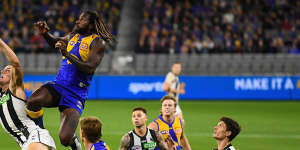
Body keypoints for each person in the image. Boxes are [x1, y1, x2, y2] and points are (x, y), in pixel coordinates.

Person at [25, 10, 114, 149]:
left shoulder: (97, 42)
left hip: (76, 94)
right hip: (59, 86)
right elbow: (55, 42)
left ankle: (75, 143)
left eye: (82, 19)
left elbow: (89, 67)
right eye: (78, 18)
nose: (77, 21)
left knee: (64, 139)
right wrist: (44, 33)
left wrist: (67, 54)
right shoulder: (73, 36)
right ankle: (41, 134)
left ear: (90, 24)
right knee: (32, 101)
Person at [0, 38, 56, 150]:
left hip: (35, 136)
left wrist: (0, 42)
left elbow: (15, 63)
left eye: (8, 70)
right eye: (3, 70)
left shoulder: (15, 89)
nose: (3, 72)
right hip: (25, 144)